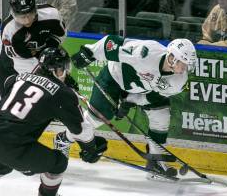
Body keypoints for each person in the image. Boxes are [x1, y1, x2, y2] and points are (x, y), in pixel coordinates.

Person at [0, 47, 108, 196]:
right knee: (58, 164)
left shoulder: (19, 77)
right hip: (13, 146)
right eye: (64, 68)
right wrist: (90, 147)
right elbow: (80, 130)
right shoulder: (63, 93)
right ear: (57, 70)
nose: (66, 73)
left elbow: (9, 86)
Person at [70, 35, 197, 177]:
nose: (185, 68)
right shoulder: (146, 52)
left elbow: (154, 97)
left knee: (161, 114)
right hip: (114, 78)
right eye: (183, 63)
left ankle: (155, 160)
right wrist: (89, 52)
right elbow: (111, 44)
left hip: (141, 91)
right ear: (172, 57)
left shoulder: (179, 80)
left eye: (188, 64)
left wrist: (129, 101)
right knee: (97, 118)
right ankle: (65, 138)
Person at [0, 0, 66, 97]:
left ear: (35, 8)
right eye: (22, 17)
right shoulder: (9, 29)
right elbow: (20, 57)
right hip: (12, 63)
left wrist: (48, 50)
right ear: (13, 13)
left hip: (43, 54)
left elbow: (60, 34)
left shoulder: (52, 14)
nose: (27, 20)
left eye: (30, 14)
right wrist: (39, 75)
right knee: (12, 99)